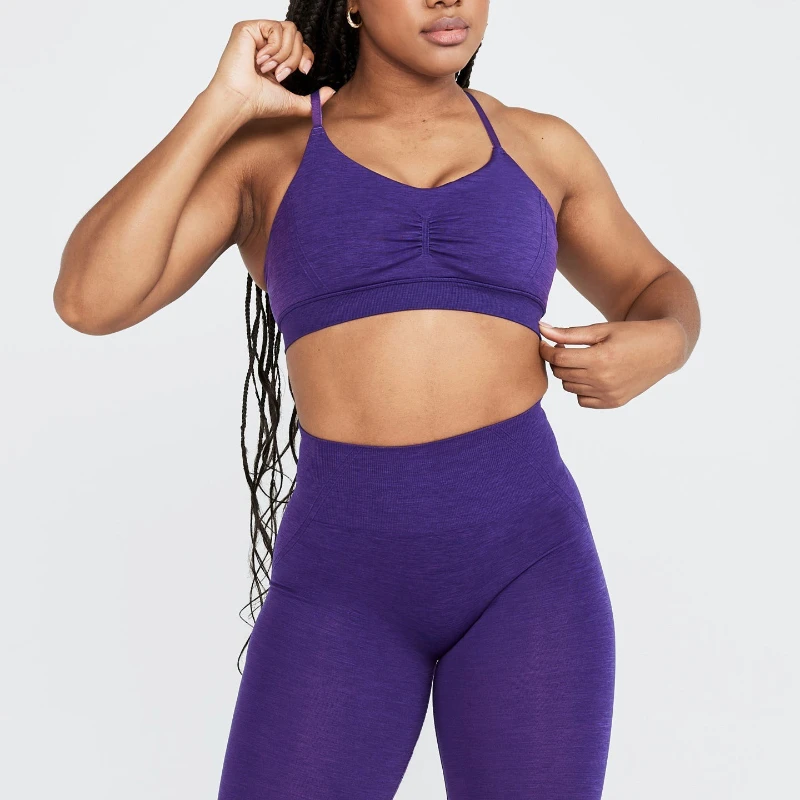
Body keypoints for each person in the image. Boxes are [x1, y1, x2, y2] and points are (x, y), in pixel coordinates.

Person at [54, 3, 700, 798]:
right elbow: (88, 300)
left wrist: (665, 342)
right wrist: (220, 105)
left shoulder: (542, 147)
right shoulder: (271, 155)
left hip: (529, 570)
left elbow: (654, 286)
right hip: (341, 585)